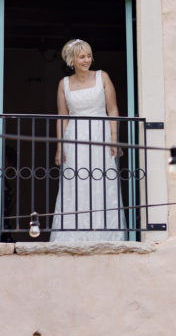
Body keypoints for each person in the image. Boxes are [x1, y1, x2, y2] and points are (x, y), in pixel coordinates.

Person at [50, 38, 125, 241]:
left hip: (101, 136)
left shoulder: (103, 77)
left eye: (89, 56)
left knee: (102, 182)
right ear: (71, 60)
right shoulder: (64, 84)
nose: (87, 60)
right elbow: (62, 117)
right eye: (82, 57)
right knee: (76, 183)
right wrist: (60, 148)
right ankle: (73, 236)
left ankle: (105, 236)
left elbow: (113, 110)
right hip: (74, 138)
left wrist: (114, 139)